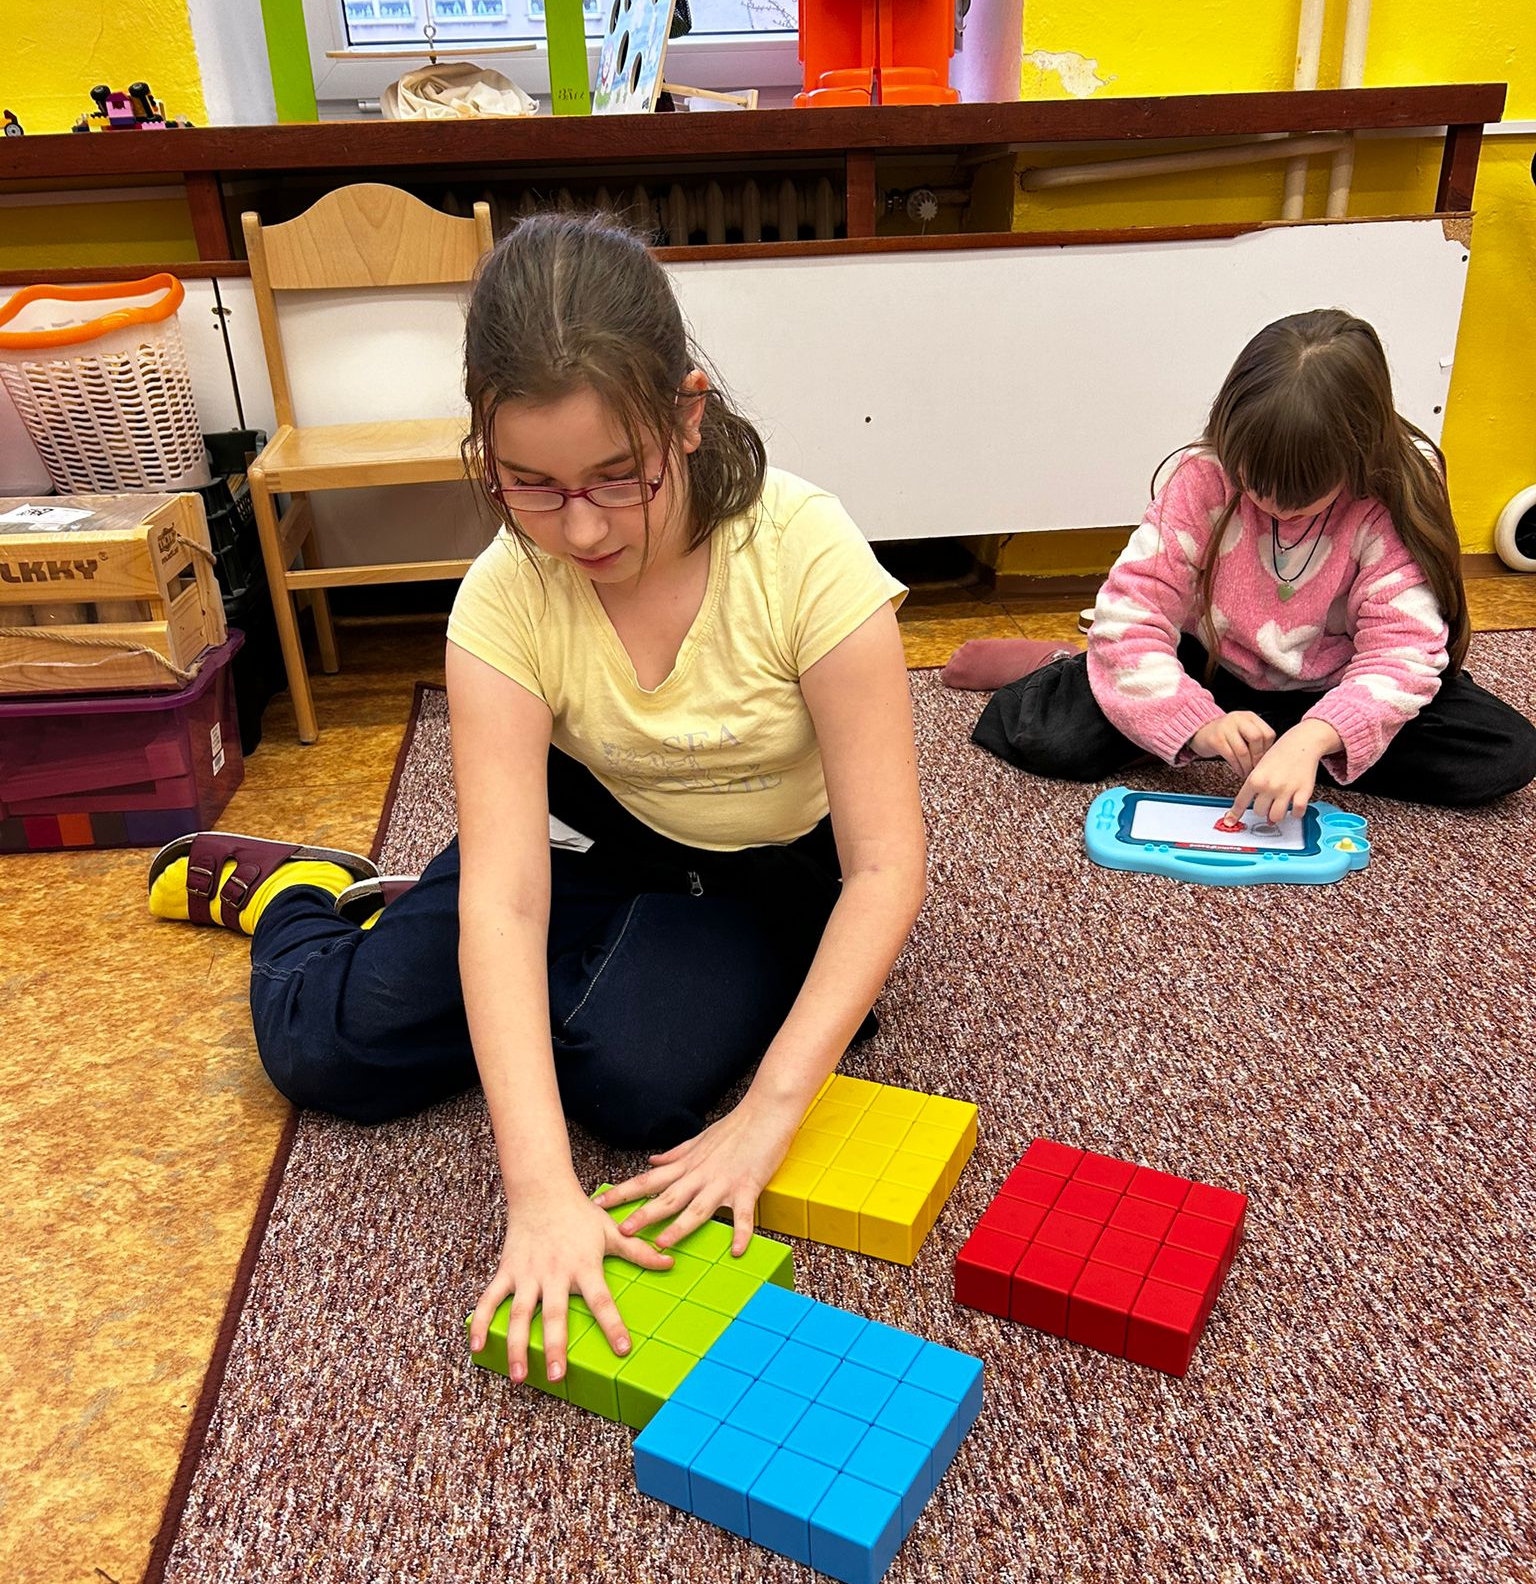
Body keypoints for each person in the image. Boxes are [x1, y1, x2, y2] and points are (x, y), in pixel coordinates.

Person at [147, 214, 925, 1386]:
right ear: (487, 451)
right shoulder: (503, 599)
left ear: (689, 413)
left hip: (767, 869)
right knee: (328, 1052)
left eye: (620, 477)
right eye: (535, 487)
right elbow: (507, 899)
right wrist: (540, 1191)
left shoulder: (805, 552)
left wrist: (770, 1112)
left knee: (632, 1082)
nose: (585, 527)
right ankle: (306, 893)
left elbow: (885, 866)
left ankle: (556, 973)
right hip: (589, 837)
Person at [944, 308, 1536, 820]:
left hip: (1333, 680)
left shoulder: (1394, 492)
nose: (1274, 504)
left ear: (1360, 454)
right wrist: (1196, 721)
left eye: (1304, 494)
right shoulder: (1202, 476)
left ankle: (1272, 742)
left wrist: (1316, 736)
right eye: (1255, 481)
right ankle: (1064, 665)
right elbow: (1133, 616)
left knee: (1502, 754)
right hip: (1209, 665)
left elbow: (1403, 651)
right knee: (1048, 736)